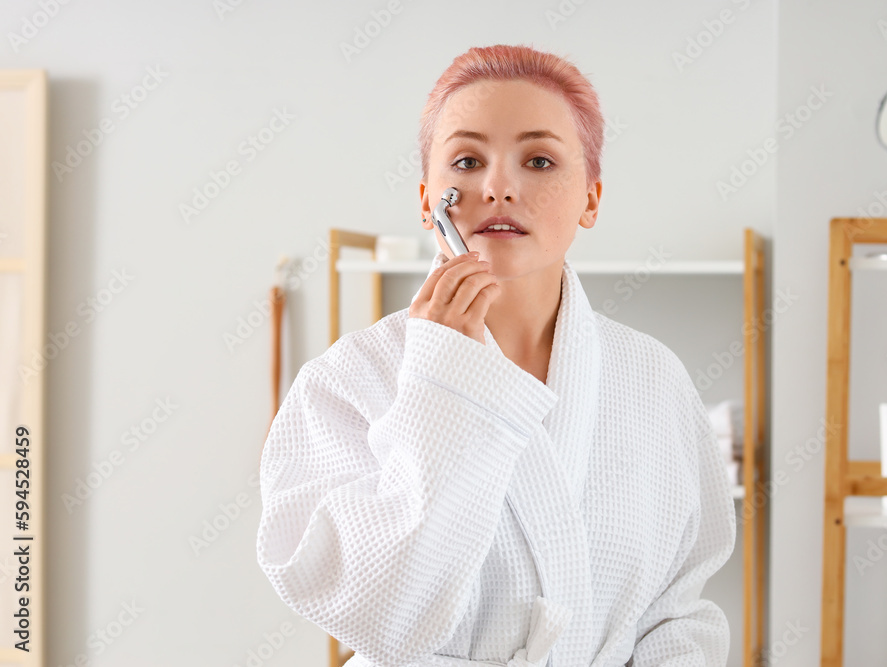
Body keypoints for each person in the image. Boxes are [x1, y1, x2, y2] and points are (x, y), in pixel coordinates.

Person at [256, 43, 736, 667]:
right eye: (467, 160)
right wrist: (439, 381)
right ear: (428, 198)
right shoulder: (349, 379)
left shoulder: (652, 378)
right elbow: (379, 612)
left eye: (538, 160)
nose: (499, 187)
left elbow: (678, 610)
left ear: (591, 198)